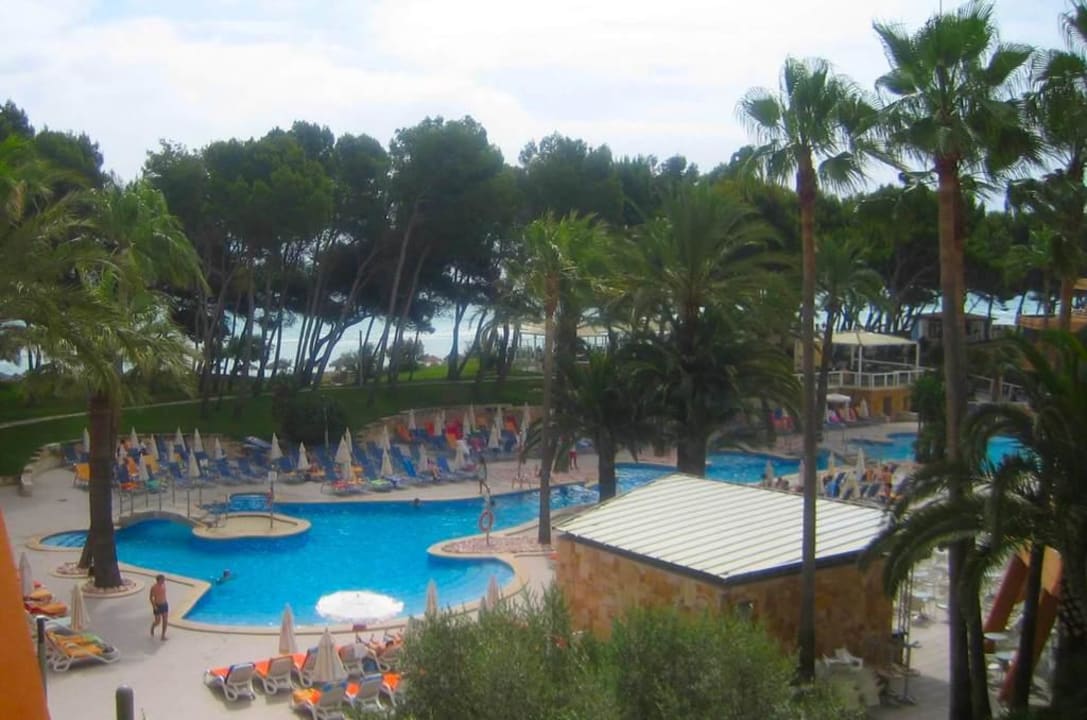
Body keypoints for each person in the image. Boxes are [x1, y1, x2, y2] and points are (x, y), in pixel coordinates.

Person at [150, 574, 169, 640]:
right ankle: (153, 626)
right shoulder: (153, 587)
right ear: (159, 580)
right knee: (158, 622)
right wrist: (154, 606)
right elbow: (151, 598)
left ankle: (163, 635)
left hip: (164, 604)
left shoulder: (164, 585)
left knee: (165, 620)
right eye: (163, 580)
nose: (164, 581)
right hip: (157, 606)